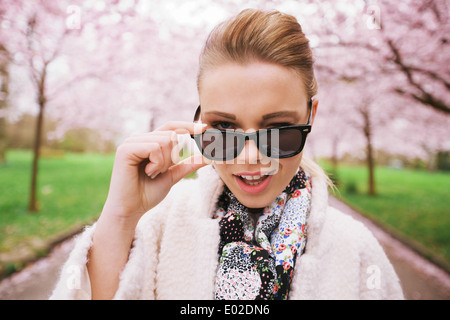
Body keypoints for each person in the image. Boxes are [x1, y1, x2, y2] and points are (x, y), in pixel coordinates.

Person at [50, 9, 404, 300]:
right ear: (200, 120)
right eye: (224, 129)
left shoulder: (355, 252)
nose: (250, 157)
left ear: (310, 116)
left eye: (278, 130)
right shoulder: (159, 224)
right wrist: (122, 214)